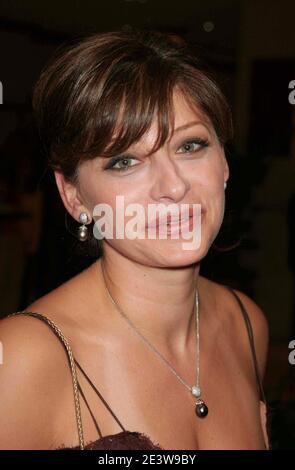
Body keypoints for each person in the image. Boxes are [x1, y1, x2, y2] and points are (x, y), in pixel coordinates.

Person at [0, 29, 271, 450]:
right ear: (73, 196)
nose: (173, 186)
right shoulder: (23, 358)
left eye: (190, 145)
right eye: (125, 161)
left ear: (223, 162)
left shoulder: (246, 325)